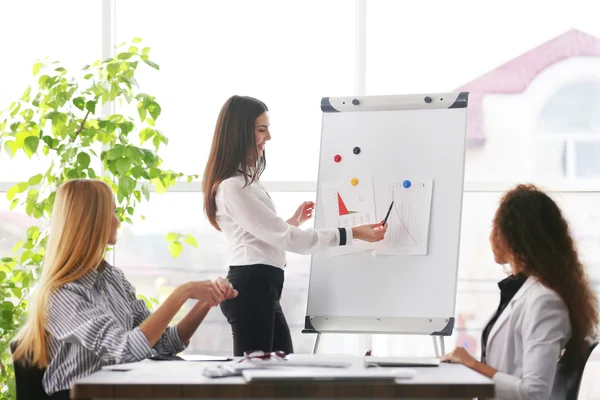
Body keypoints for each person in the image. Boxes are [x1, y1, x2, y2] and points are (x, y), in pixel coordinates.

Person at [12, 179, 238, 398]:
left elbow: (163, 344)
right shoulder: (61, 295)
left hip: (117, 392)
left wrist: (206, 302)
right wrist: (182, 292)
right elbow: (125, 350)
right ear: (91, 221)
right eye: (112, 213)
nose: (117, 221)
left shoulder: (112, 279)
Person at [202, 95, 387, 356]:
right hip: (252, 286)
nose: (269, 137)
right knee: (259, 384)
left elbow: (260, 234)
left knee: (279, 374)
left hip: (263, 286)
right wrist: (353, 232)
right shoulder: (233, 187)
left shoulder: (247, 182)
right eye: (261, 130)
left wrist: (292, 222)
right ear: (240, 132)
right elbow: (286, 239)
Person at [441, 184, 598, 400]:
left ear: (511, 236)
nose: (491, 236)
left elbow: (533, 393)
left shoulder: (545, 302)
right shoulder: (526, 291)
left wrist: (472, 364)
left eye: (494, 227)